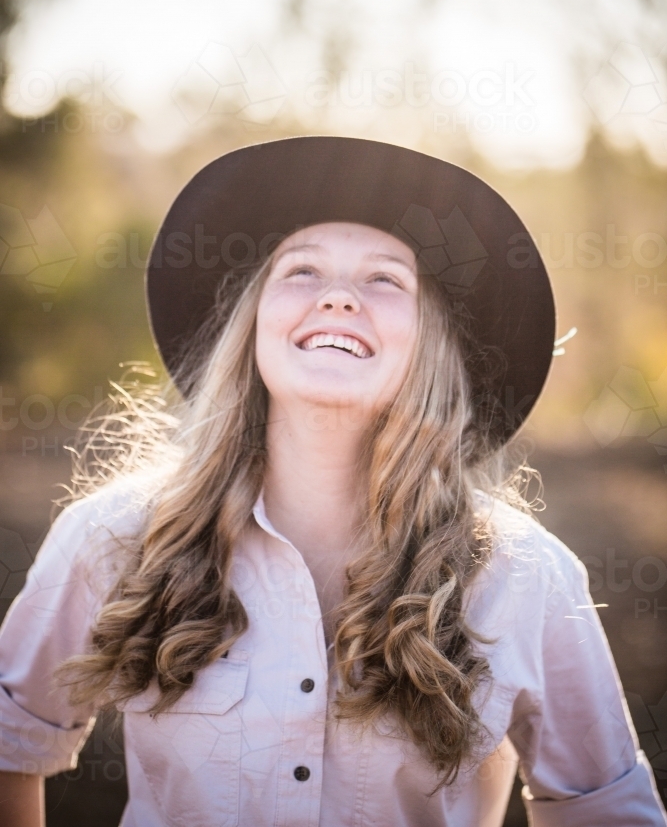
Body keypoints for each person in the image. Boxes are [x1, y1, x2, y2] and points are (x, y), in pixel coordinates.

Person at [0, 137, 663, 827]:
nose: (339, 298)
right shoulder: (115, 535)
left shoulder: (526, 579)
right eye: (301, 270)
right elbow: (9, 740)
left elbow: (604, 809)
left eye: (384, 280)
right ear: (252, 321)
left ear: (428, 344)